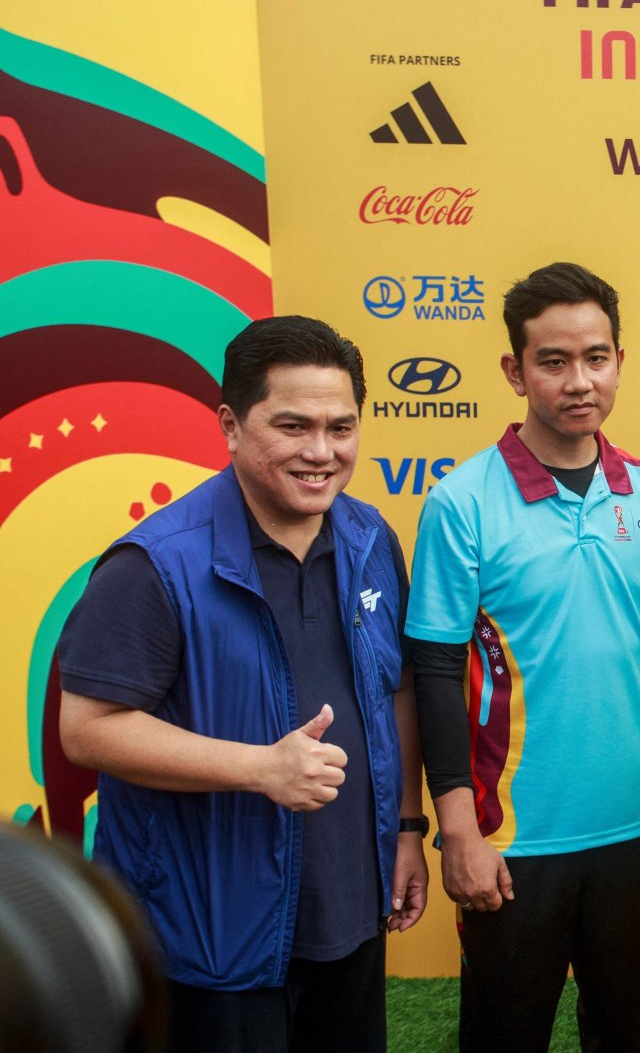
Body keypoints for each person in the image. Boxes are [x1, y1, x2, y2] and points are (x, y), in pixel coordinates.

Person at [56, 315, 428, 1053]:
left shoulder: (370, 538)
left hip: (350, 912)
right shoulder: (155, 565)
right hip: (212, 936)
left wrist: (407, 830)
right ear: (231, 425)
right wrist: (260, 770)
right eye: (293, 426)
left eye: (340, 426)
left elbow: (396, 691)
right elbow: (86, 727)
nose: (321, 452)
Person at [406, 261, 640, 1051]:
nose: (580, 381)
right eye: (554, 361)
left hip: (635, 822)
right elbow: (435, 674)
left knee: (627, 1030)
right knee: (507, 1034)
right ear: (515, 370)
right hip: (514, 837)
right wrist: (457, 830)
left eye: (596, 358)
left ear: (618, 361)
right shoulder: (461, 502)